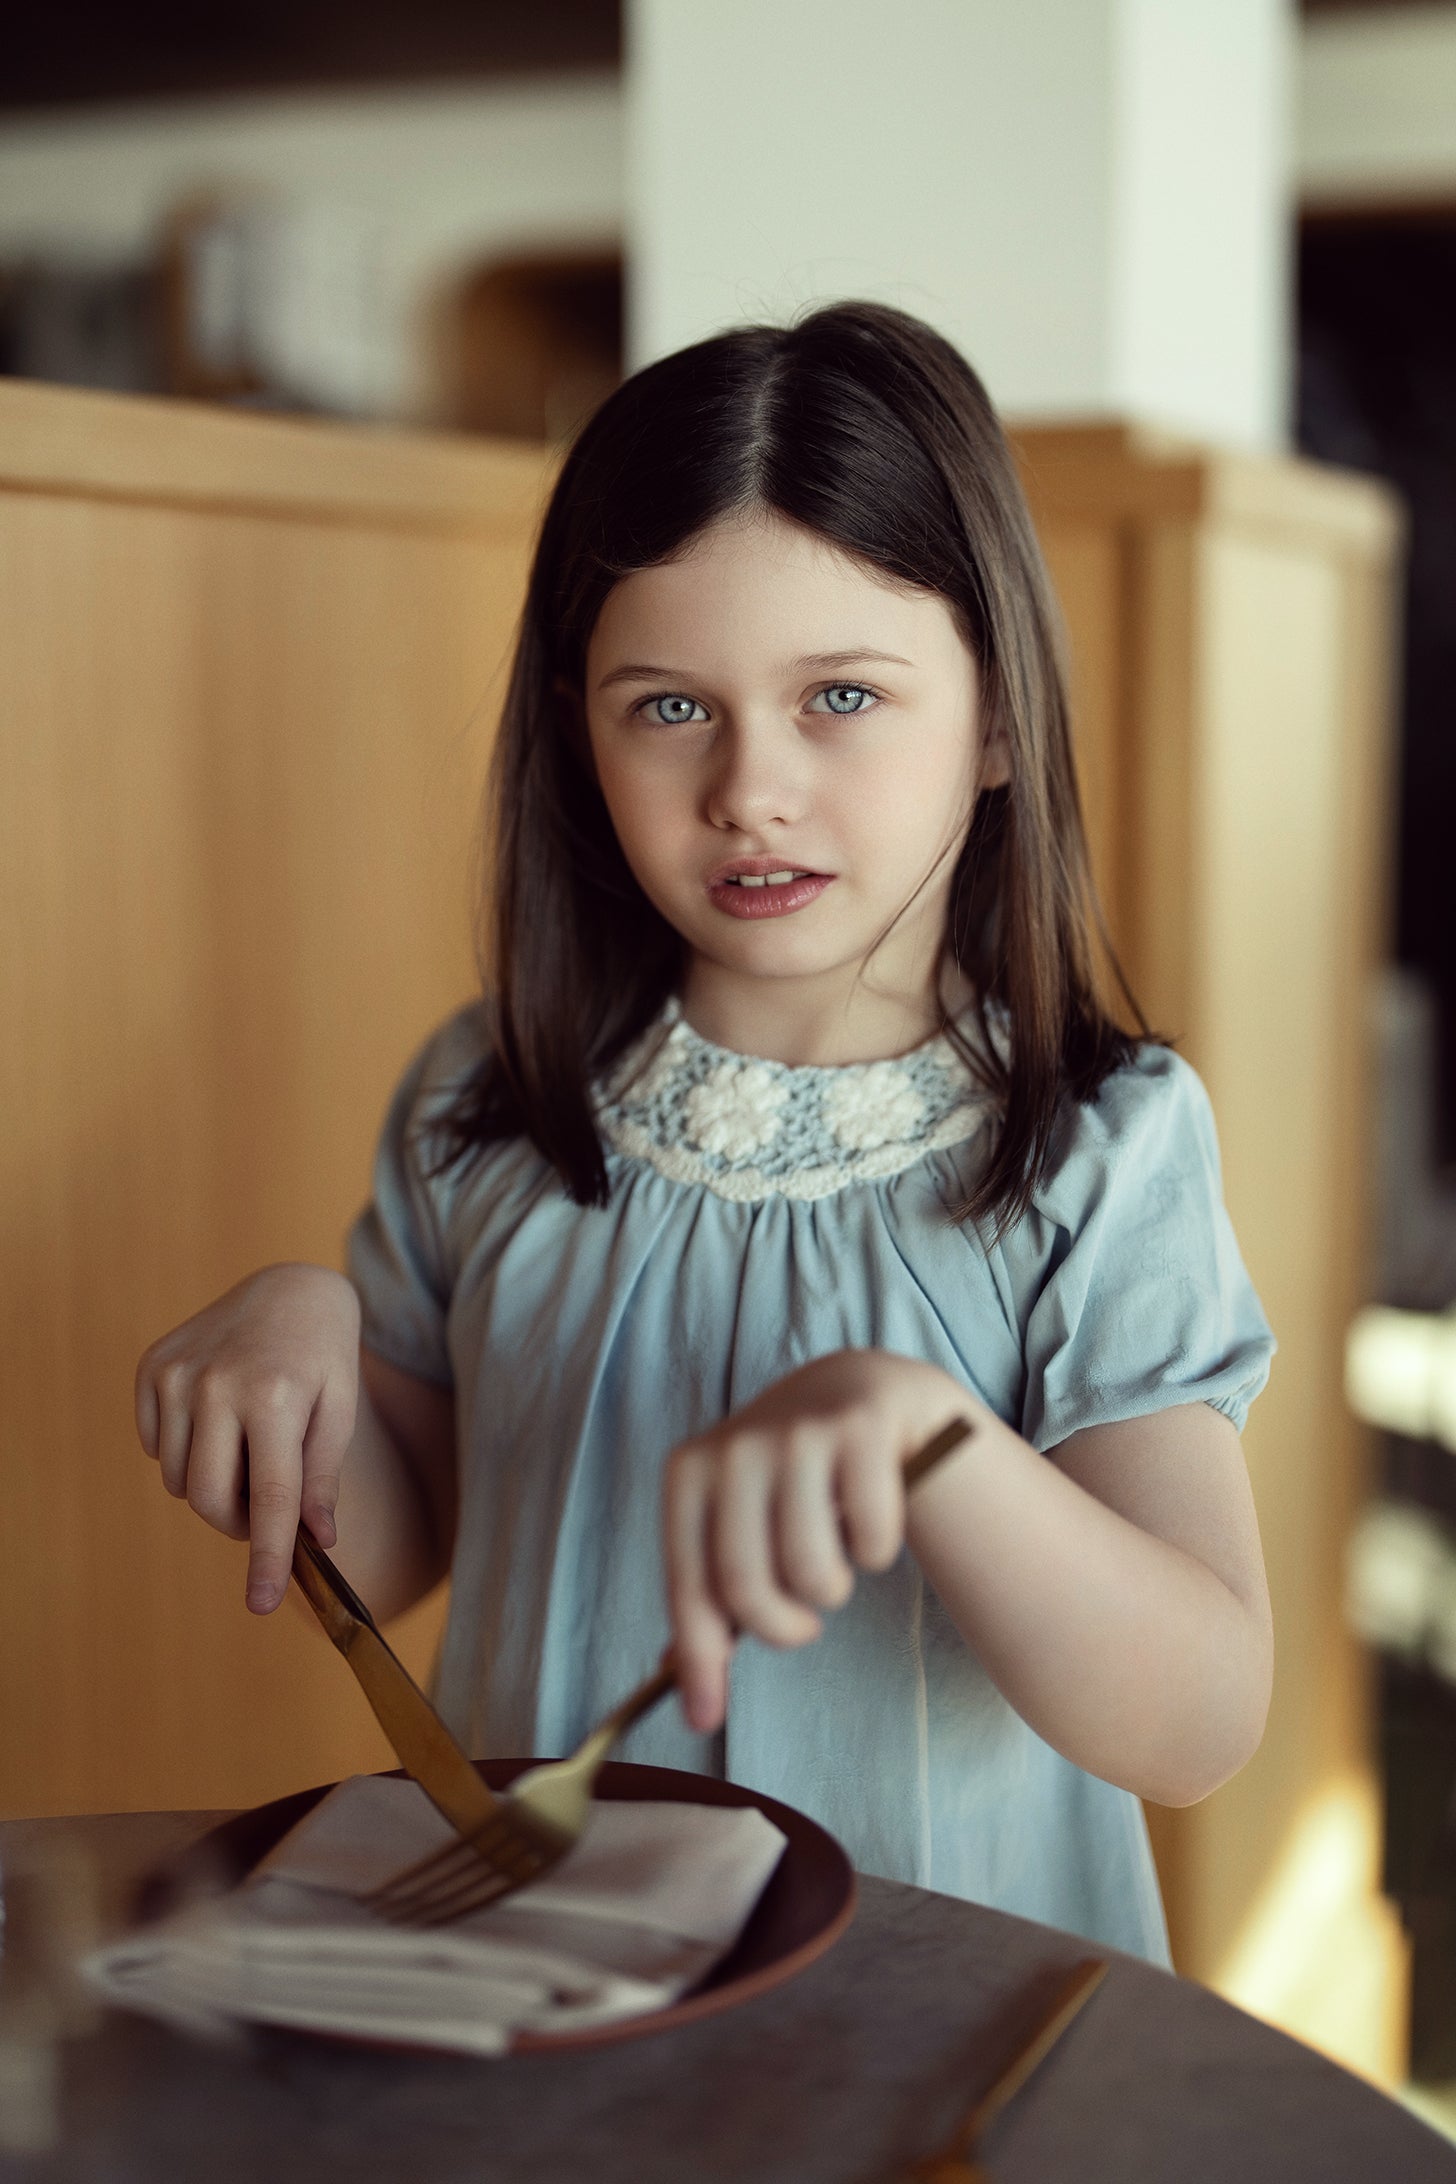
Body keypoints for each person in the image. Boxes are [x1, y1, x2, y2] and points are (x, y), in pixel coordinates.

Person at [134, 300, 1275, 1967]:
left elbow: (1194, 1722)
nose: (750, 787)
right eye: (669, 708)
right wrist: (294, 1343)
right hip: (560, 2003)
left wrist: (928, 1438)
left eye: (842, 696)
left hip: (937, 2037)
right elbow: (391, 1537)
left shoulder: (1100, 1150)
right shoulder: (488, 1106)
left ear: (1002, 719)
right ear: (577, 729)